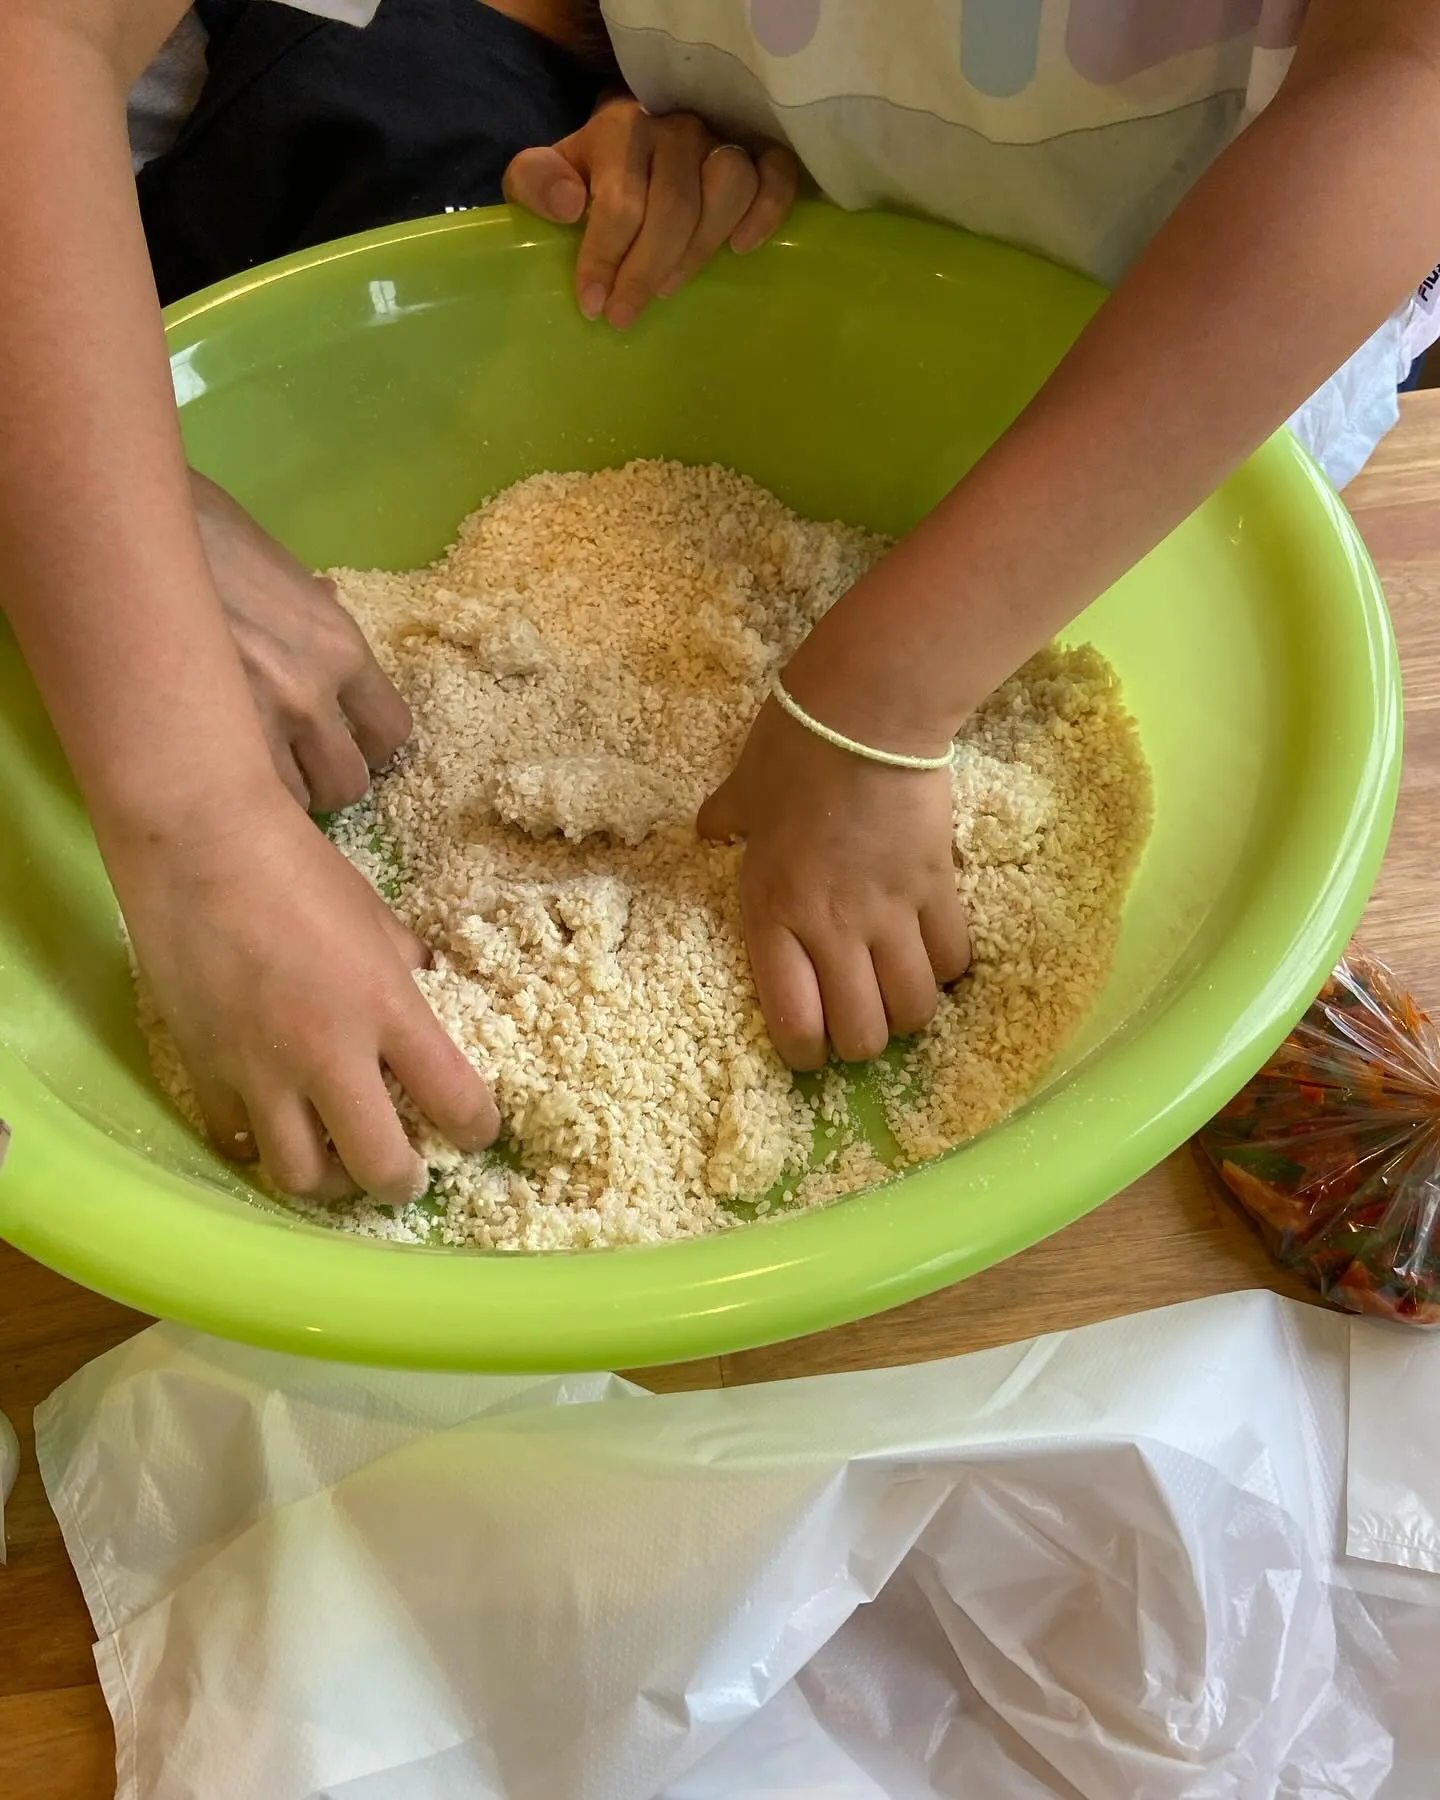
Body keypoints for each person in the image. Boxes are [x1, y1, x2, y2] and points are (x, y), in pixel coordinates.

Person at [0, 0, 1431, 1204]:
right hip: (769, 194)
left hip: (1199, 349)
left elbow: (1407, 75)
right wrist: (198, 829)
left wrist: (884, 696)